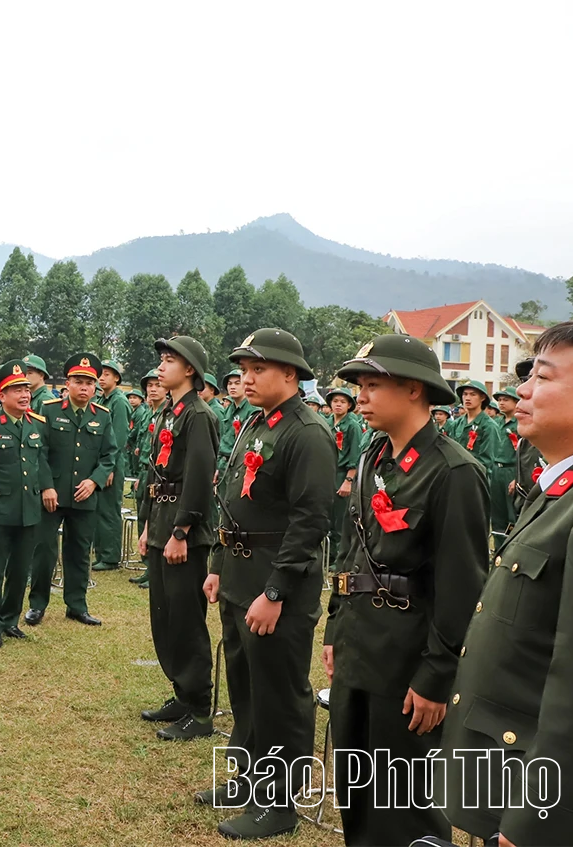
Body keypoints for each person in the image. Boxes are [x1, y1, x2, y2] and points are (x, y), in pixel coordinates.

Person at [321, 335, 489, 846]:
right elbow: (352, 549)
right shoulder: (375, 457)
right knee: (357, 790)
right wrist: (333, 624)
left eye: (373, 385)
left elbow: (462, 585)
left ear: (414, 389)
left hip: (407, 657)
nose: (361, 397)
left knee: (404, 803)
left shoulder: (454, 471)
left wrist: (438, 675)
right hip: (358, 644)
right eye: (359, 386)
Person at [442, 322, 573, 846]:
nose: (523, 390)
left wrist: (537, 819)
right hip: (507, 764)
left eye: (543, 378)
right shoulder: (559, 488)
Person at [199, 329, 334, 839]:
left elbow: (310, 521)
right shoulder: (256, 422)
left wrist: (275, 592)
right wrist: (216, 562)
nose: (246, 378)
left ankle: (279, 801)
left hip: (275, 583)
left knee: (279, 691)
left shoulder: (307, 432)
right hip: (238, 577)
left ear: (291, 374)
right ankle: (247, 779)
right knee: (245, 683)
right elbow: (232, 499)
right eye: (243, 369)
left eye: (258, 369)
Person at [136, 337, 219, 741]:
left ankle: (200, 710)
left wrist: (181, 530)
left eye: (169, 361)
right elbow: (158, 474)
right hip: (163, 525)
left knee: (186, 621)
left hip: (185, 532)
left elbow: (199, 478)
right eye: (161, 360)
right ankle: (182, 695)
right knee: (164, 617)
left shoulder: (198, 415)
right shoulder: (170, 411)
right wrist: (151, 526)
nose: (160, 368)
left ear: (190, 370)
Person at [27, 353, 117, 627]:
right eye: (78, 382)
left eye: (90, 383)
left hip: (84, 496)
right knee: (44, 552)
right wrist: (46, 487)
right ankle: (37, 604)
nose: (84, 388)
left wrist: (94, 481)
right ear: (67, 384)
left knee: (79, 552)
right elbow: (38, 451)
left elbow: (109, 455)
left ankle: (77, 605)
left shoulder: (102, 416)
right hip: (52, 496)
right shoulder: (50, 409)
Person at [0, 360, 50, 648]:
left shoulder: (37, 425)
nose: (25, 394)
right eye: (16, 390)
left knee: (20, 567)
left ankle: (10, 619)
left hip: (28, 509)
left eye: (26, 388)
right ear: (1, 396)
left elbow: (40, 462)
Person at [127, 369, 165, 588]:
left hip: (158, 473)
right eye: (149, 385)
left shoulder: (166, 413)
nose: (152, 389)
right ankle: (148, 566)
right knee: (143, 516)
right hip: (144, 470)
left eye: (157, 385)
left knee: (155, 520)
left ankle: (155, 570)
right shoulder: (149, 413)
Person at [92, 358, 130, 572]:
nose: (102, 378)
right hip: (102, 462)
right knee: (99, 509)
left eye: (107, 374)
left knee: (109, 510)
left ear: (116, 377)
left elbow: (119, 438)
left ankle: (110, 556)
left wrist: (110, 468)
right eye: (101, 374)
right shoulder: (103, 399)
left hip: (112, 463)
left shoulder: (119, 402)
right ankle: (102, 552)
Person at [325, 386, 362, 570]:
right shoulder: (327, 422)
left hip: (342, 474)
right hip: (327, 472)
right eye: (335, 401)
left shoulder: (352, 425)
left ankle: (340, 559)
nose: (338, 405)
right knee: (327, 517)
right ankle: (328, 556)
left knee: (340, 520)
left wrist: (348, 480)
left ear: (349, 405)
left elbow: (355, 455)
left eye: (342, 402)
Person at [489, 385, 521, 534]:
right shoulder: (496, 422)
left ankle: (509, 549)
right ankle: (497, 550)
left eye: (506, 399)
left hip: (511, 470)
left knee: (512, 512)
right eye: (499, 400)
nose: (501, 403)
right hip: (496, 470)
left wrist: (517, 477)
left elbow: (526, 453)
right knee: (496, 511)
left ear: (516, 402)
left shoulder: (520, 423)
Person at [217, 368, 260, 482]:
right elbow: (223, 439)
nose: (232, 387)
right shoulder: (229, 409)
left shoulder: (253, 410)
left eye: (237, 383)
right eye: (229, 384)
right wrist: (217, 466)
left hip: (238, 466)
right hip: (223, 464)